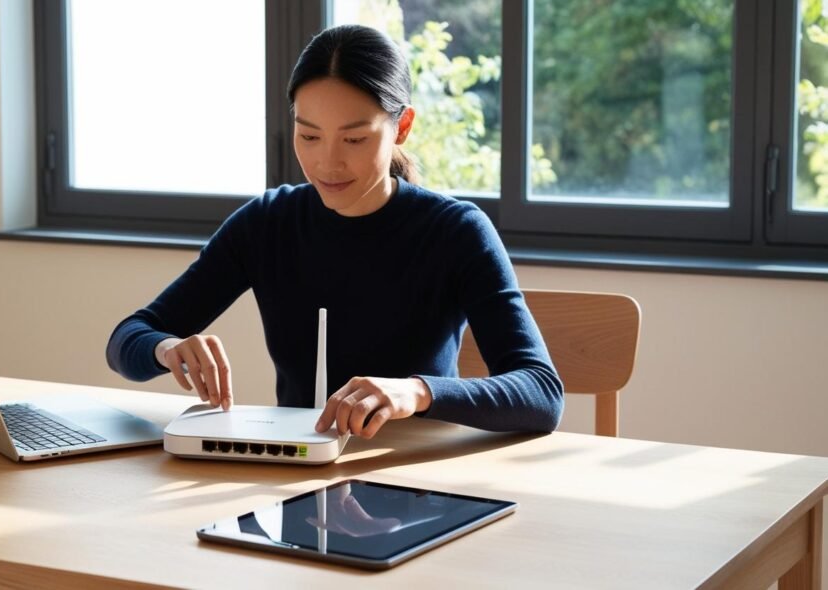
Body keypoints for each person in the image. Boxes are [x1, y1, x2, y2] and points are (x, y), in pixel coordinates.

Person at [106, 24, 563, 439]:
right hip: (297, 478)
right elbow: (128, 337)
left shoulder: (455, 231)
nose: (327, 163)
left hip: (419, 481)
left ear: (401, 126)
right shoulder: (268, 222)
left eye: (354, 139)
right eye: (309, 136)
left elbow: (541, 393)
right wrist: (167, 348)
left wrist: (417, 393)